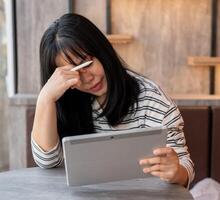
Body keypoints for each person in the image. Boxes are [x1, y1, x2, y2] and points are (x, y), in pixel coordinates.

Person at [31, 13, 194, 188]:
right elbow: (47, 162)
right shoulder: (66, 96)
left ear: (102, 50)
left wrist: (177, 171)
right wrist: (45, 98)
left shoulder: (154, 101)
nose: (87, 79)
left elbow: (184, 168)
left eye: (86, 65)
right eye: (73, 73)